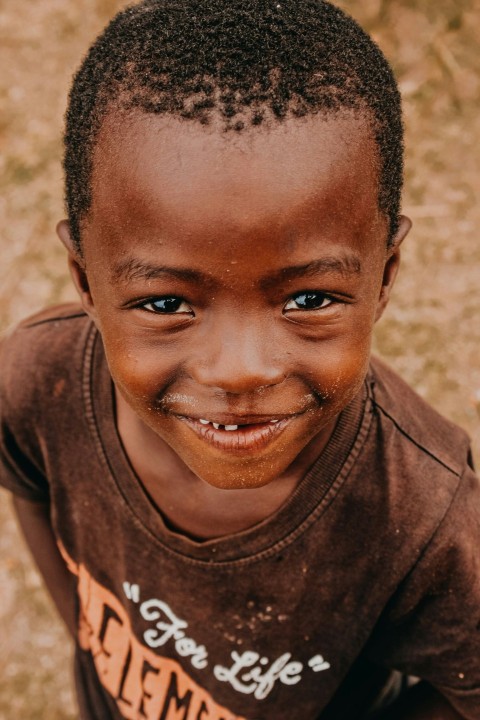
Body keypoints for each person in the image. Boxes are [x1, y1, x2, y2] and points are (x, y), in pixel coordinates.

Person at [0, 0, 479, 717]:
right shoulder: (42, 380)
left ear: (383, 277)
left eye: (309, 299)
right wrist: (87, 633)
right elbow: (31, 489)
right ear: (85, 282)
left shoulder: (426, 520)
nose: (241, 371)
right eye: (167, 305)